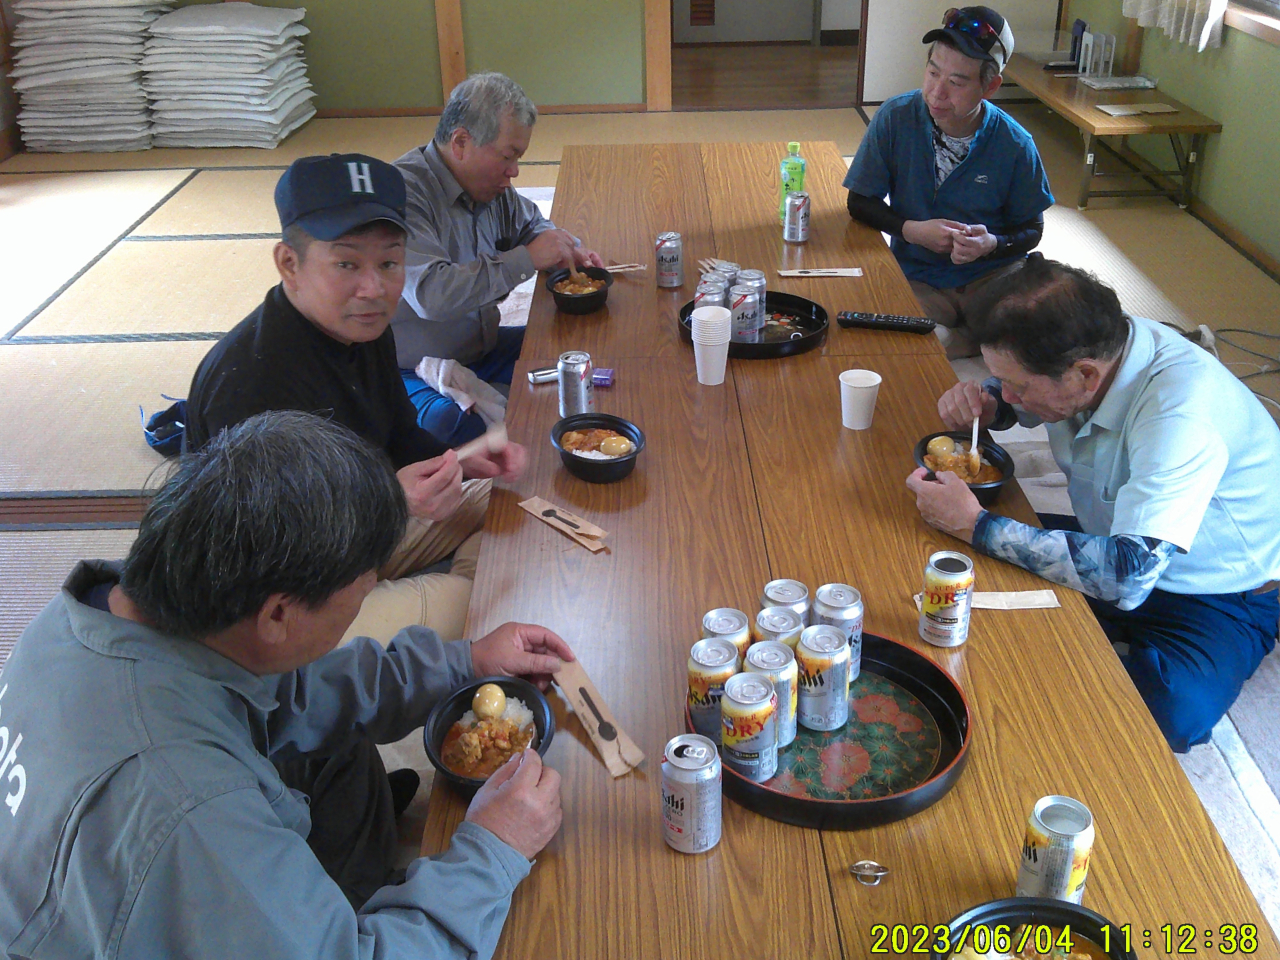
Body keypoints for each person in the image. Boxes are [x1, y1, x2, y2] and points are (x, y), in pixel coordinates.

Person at [0, 411, 569, 957]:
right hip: (146, 876)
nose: (359, 607)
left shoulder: (103, 613)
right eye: (360, 593)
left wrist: (463, 662)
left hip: (120, 852)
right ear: (278, 615)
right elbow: (189, 812)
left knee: (341, 753)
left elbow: (289, 694)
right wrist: (494, 849)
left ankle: (337, 905)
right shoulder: (191, 810)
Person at [905, 256, 1280, 752]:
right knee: (949, 582)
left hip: (1215, 588)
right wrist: (994, 404)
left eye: (1017, 384)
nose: (1009, 391)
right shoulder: (1105, 342)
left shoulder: (1181, 415)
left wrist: (978, 526)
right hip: (1109, 533)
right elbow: (1027, 392)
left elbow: (1126, 575)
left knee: (1168, 711)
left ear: (1084, 375)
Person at [185, 152, 527, 644]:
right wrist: (388, 500)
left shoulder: (363, 331)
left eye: (389, 262)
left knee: (507, 509)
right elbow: (263, 550)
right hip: (279, 601)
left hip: (361, 539)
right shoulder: (248, 382)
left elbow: (401, 435)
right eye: (347, 262)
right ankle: (423, 628)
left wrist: (460, 460)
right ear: (289, 263)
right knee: (487, 603)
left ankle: (425, 614)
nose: (374, 288)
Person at [390, 72, 604, 445]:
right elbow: (432, 295)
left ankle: (501, 395)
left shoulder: (489, 186)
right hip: (417, 367)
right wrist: (527, 259)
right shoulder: (403, 194)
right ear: (460, 142)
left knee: (578, 357)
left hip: (481, 346)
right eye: (508, 156)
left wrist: (562, 248)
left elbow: (532, 223)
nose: (514, 172)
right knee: (456, 429)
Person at [843, 6, 1054, 359]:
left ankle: (964, 341)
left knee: (1043, 335)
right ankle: (972, 342)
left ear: (991, 86)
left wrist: (992, 243)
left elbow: (1032, 228)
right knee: (874, 329)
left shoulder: (1015, 144)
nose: (937, 92)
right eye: (932, 72)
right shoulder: (896, 117)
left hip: (993, 278)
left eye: (956, 82)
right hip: (919, 274)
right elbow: (859, 201)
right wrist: (910, 230)